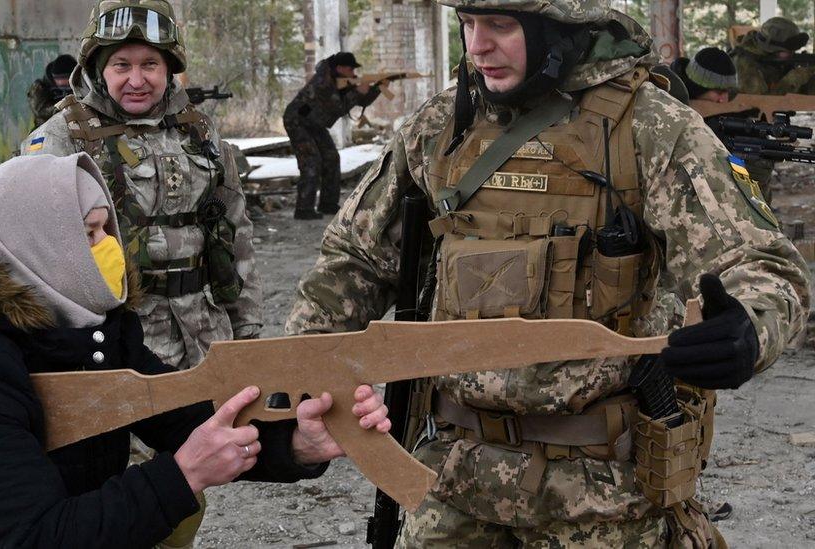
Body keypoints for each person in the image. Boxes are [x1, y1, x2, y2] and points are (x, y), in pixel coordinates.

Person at [287, 1, 811, 547]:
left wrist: (750, 328)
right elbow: (355, 258)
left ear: (560, 29)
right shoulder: (444, 124)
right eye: (468, 24)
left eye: (500, 26)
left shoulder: (650, 127)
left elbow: (761, 264)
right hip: (450, 482)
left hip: (604, 497)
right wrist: (301, 365)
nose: (476, 46)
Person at [0, 153, 391, 548]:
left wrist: (296, 443)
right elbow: (37, 535)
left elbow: (185, 417)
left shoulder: (97, 329)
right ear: (33, 248)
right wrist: (182, 476)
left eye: (107, 229)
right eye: (88, 233)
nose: (108, 249)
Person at [22, 0, 261, 370]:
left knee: (222, 426)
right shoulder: (60, 138)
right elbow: (36, 254)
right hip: (120, 344)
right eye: (122, 65)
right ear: (99, 70)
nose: (136, 80)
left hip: (208, 337)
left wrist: (247, 328)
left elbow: (236, 230)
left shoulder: (199, 130)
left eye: (149, 64)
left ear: (169, 68)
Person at [283, 52, 382, 220]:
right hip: (298, 120)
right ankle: (303, 209)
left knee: (331, 158)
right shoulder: (323, 82)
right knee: (312, 161)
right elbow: (339, 108)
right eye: (351, 69)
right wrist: (358, 90)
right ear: (340, 68)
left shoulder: (341, 80)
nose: (353, 73)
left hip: (314, 123)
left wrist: (377, 88)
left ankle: (328, 204)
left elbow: (361, 101)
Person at [674, 47, 777, 206]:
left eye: (728, 91)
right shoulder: (671, 106)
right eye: (718, 92)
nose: (725, 99)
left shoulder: (731, 110)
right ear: (697, 88)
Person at [731, 16, 815, 95]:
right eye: (788, 51)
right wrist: (794, 78)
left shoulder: (775, 61)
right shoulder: (743, 62)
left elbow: (803, 92)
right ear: (771, 50)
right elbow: (759, 104)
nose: (792, 54)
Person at [27, 54, 78, 128]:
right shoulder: (40, 87)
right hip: (46, 128)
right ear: (53, 77)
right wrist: (61, 108)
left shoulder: (81, 84)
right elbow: (40, 110)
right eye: (59, 79)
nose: (62, 83)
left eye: (66, 79)